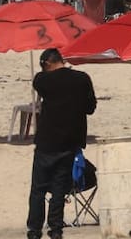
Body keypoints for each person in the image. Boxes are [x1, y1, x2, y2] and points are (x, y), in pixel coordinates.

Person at [26, 47, 96, 239]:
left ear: (47, 64)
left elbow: (39, 83)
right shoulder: (82, 79)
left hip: (47, 142)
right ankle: (55, 230)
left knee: (39, 189)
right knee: (59, 189)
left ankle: (34, 230)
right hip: (70, 142)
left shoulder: (42, 80)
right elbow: (90, 108)